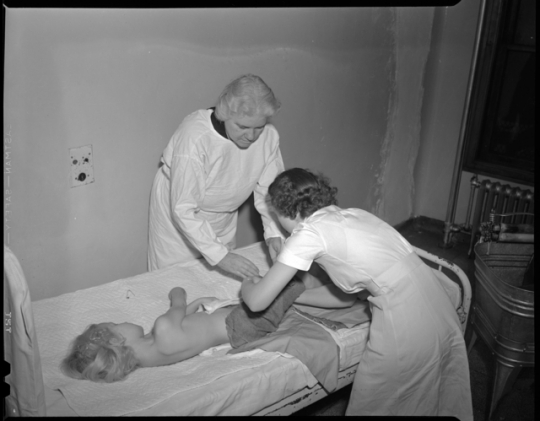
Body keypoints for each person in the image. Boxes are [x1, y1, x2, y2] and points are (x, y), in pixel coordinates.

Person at [240, 168, 473, 420]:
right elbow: (349, 297)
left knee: (376, 402)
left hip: (407, 324)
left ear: (288, 211)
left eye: (276, 216)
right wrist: (296, 296)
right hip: (438, 303)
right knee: (429, 398)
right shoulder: (354, 215)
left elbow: (255, 302)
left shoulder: (307, 234)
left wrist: (248, 284)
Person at [61, 269, 355, 383]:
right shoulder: (162, 328)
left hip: (235, 332)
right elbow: (178, 301)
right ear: (115, 340)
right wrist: (178, 293)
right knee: (289, 283)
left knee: (280, 296)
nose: (122, 320)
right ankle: (343, 294)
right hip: (245, 323)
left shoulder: (148, 357)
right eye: (115, 323)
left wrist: (195, 306)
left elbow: (184, 323)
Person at [148, 74, 285, 279]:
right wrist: (221, 256)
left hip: (223, 214)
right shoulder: (196, 137)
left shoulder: (269, 137)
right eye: (243, 127)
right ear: (224, 114)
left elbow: (269, 192)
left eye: (259, 127)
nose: (252, 136)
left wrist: (274, 234)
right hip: (177, 217)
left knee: (216, 282)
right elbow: (182, 209)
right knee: (173, 280)